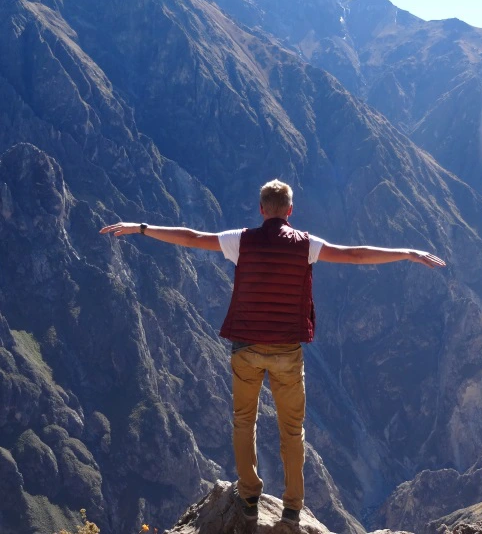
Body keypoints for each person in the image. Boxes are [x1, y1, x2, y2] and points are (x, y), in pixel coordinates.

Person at [100, 179, 446, 524]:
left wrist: (141, 228)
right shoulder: (306, 245)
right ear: (290, 211)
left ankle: (249, 497)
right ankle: (292, 507)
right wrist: (406, 253)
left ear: (261, 209)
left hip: (246, 348)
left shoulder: (241, 240)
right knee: (292, 431)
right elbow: (355, 254)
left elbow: (191, 237)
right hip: (286, 352)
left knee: (243, 422)